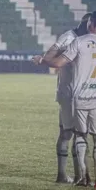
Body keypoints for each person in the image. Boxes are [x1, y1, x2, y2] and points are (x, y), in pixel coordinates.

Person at [32, 11, 96, 187]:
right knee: (71, 134)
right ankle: (74, 176)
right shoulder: (71, 37)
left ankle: (79, 176)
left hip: (82, 94)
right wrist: (44, 59)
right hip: (69, 94)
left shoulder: (84, 40)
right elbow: (52, 55)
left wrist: (42, 60)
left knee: (75, 134)